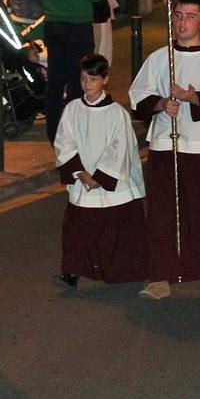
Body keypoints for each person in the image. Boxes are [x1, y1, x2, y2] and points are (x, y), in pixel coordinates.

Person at [129, 0, 200, 300]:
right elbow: (138, 97)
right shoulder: (159, 58)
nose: (182, 22)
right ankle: (161, 275)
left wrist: (193, 98)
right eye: (178, 15)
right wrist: (163, 102)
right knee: (164, 211)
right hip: (167, 144)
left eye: (190, 16)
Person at [52, 53, 147, 289]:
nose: (87, 85)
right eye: (83, 79)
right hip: (83, 178)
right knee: (78, 228)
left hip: (111, 183)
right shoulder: (73, 109)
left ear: (105, 80)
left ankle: (122, 271)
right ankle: (73, 271)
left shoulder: (117, 113)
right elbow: (64, 141)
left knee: (115, 230)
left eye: (93, 79)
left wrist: (100, 177)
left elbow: (120, 148)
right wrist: (81, 173)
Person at [41, 0, 105, 143]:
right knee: (79, 78)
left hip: (53, 25)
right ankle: (75, 129)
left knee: (55, 79)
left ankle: (53, 130)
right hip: (77, 26)